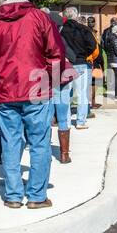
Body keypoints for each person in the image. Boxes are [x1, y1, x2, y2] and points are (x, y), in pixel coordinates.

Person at [0, 0, 70, 209]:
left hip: (6, 88)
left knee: (10, 141)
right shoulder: (39, 17)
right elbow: (56, 52)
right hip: (36, 86)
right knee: (39, 142)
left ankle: (14, 195)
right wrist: (53, 80)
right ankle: (37, 195)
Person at [60, 6, 97, 130]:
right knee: (82, 94)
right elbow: (93, 45)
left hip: (67, 63)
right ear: (76, 15)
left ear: (65, 16)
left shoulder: (61, 30)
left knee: (66, 94)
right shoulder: (84, 29)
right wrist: (85, 53)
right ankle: (81, 121)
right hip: (82, 62)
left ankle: (67, 122)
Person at [46, 10, 74, 160]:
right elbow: (72, 55)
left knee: (47, 118)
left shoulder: (39, 39)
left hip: (46, 80)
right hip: (61, 78)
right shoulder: (60, 39)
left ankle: (46, 153)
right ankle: (64, 154)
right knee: (63, 116)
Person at [101, 17, 117, 99]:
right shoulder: (108, 31)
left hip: (110, 53)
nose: (115, 22)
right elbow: (103, 42)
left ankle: (112, 87)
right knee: (112, 72)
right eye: (114, 21)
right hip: (113, 55)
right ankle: (113, 89)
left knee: (111, 71)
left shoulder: (112, 33)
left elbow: (103, 42)